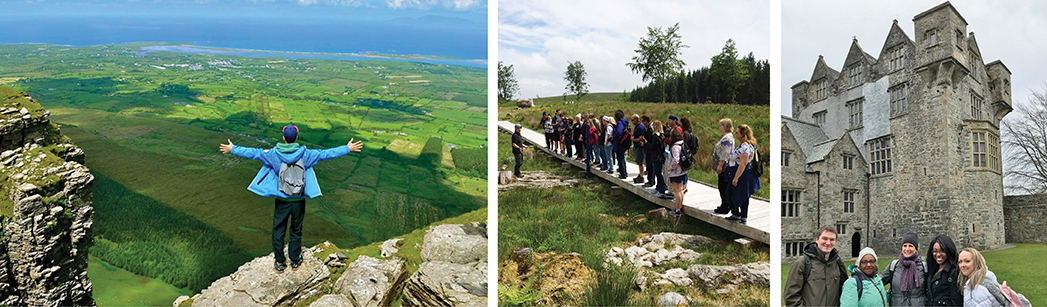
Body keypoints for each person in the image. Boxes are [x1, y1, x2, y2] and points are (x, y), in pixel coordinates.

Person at [220, 124, 363, 273]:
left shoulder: (273, 154)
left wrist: (233, 149)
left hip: (282, 201)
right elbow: (326, 154)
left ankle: (280, 262)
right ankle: (295, 261)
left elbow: (253, 153)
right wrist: (348, 148)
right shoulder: (306, 154)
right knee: (296, 230)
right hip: (298, 200)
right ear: (296, 138)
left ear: (283, 138)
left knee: (278, 230)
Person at [784, 225, 848, 307]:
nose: (828, 243)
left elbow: (844, 292)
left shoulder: (838, 263)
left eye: (832, 239)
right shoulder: (802, 263)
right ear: (817, 239)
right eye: (824, 238)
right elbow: (791, 297)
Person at [880, 232, 928, 307]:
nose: (907, 249)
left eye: (911, 246)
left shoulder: (924, 267)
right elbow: (878, 283)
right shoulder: (893, 266)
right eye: (905, 246)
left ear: (916, 248)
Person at [727, 124, 760, 223]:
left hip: (742, 174)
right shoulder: (748, 145)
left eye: (737, 132)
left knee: (730, 192)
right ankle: (742, 215)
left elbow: (744, 163)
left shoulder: (744, 147)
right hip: (744, 173)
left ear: (742, 135)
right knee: (743, 194)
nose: (735, 134)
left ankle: (737, 214)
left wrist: (736, 177)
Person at [926, 235, 963, 306]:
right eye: (935, 251)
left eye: (942, 251)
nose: (938, 254)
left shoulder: (954, 272)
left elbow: (957, 302)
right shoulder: (932, 270)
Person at [712, 118, 736, 214]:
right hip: (723, 166)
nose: (719, 127)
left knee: (723, 186)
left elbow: (725, 153)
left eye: (720, 125)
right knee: (722, 186)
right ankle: (724, 204)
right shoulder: (726, 137)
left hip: (724, 167)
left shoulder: (727, 139)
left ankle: (726, 206)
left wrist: (720, 165)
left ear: (725, 126)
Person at [647, 120, 670, 199]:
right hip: (661, 156)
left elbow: (652, 146)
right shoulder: (661, 135)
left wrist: (647, 143)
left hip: (656, 157)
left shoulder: (655, 136)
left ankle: (661, 189)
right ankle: (658, 188)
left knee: (658, 174)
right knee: (658, 173)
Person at [667, 129, 686, 215]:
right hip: (682, 171)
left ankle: (677, 209)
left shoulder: (675, 147)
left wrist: (671, 168)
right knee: (681, 190)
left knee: (677, 191)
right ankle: (680, 207)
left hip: (676, 173)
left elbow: (676, 159)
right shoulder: (683, 144)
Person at [613, 110, 630, 179]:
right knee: (623, 157)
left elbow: (619, 132)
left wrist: (614, 137)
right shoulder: (625, 122)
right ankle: (624, 172)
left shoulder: (620, 123)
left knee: (620, 158)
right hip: (625, 142)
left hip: (620, 143)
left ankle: (623, 174)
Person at [631, 114, 647, 184]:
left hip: (640, 147)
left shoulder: (640, 127)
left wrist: (633, 139)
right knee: (639, 162)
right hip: (637, 147)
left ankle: (641, 176)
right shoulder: (637, 127)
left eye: (632, 120)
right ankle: (640, 175)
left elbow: (641, 138)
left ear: (636, 120)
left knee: (641, 162)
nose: (632, 121)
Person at [642, 116, 657, 188]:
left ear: (646, 121)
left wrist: (645, 143)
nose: (642, 123)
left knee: (650, 166)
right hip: (648, 150)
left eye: (643, 121)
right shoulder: (648, 128)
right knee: (649, 166)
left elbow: (650, 141)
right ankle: (650, 180)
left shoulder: (650, 129)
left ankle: (651, 181)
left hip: (650, 151)